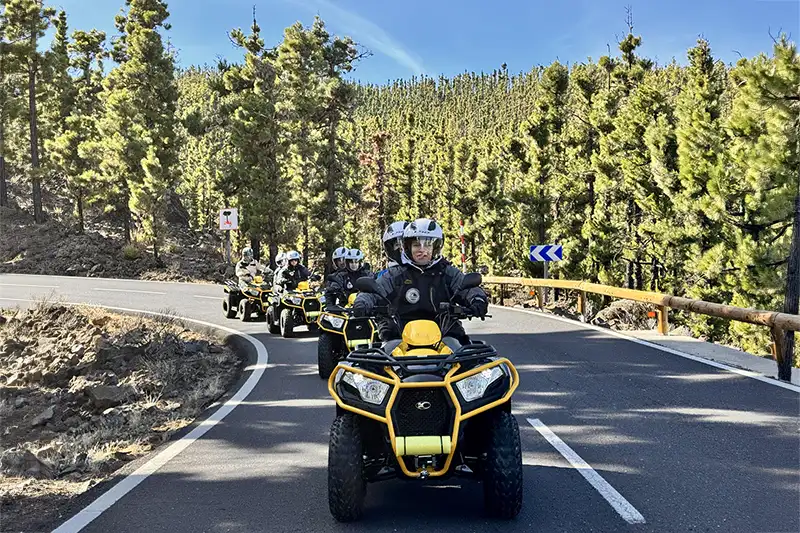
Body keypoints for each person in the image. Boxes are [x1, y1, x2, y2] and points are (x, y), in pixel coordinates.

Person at [352, 218, 488, 345]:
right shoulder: (395, 274)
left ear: (436, 247)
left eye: (428, 245)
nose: (422, 250)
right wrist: (362, 303)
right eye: (416, 245)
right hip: (399, 334)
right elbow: (374, 290)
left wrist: (477, 299)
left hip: (445, 331)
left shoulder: (447, 272)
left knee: (463, 352)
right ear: (407, 247)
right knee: (386, 353)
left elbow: (466, 287)